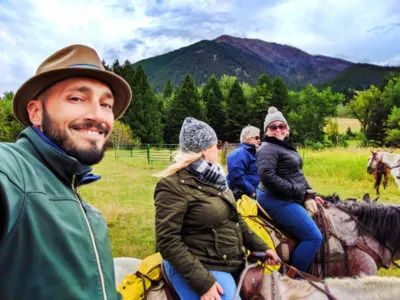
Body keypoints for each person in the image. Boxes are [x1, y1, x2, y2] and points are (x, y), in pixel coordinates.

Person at [0, 44, 132, 299]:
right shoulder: (11, 173)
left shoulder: (87, 212)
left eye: (106, 104)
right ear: (36, 113)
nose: (98, 115)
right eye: (76, 98)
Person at [154, 117, 280, 300]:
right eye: (216, 145)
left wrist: (261, 246)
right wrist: (203, 283)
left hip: (229, 261)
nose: (218, 149)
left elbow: (235, 219)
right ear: (204, 150)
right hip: (200, 266)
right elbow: (167, 241)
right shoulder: (172, 186)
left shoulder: (216, 178)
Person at [256, 107, 323, 274]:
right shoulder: (267, 148)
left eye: (282, 126)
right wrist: (296, 192)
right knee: (314, 237)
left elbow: (297, 174)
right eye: (273, 127)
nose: (278, 130)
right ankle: (294, 279)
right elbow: (267, 176)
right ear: (267, 131)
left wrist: (311, 193)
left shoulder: (284, 146)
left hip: (287, 196)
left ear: (287, 129)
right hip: (275, 199)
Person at [227, 125, 261, 200]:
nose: (259, 140)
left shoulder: (251, 152)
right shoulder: (239, 153)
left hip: (255, 192)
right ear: (248, 139)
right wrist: (251, 191)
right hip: (244, 195)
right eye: (257, 138)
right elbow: (236, 176)